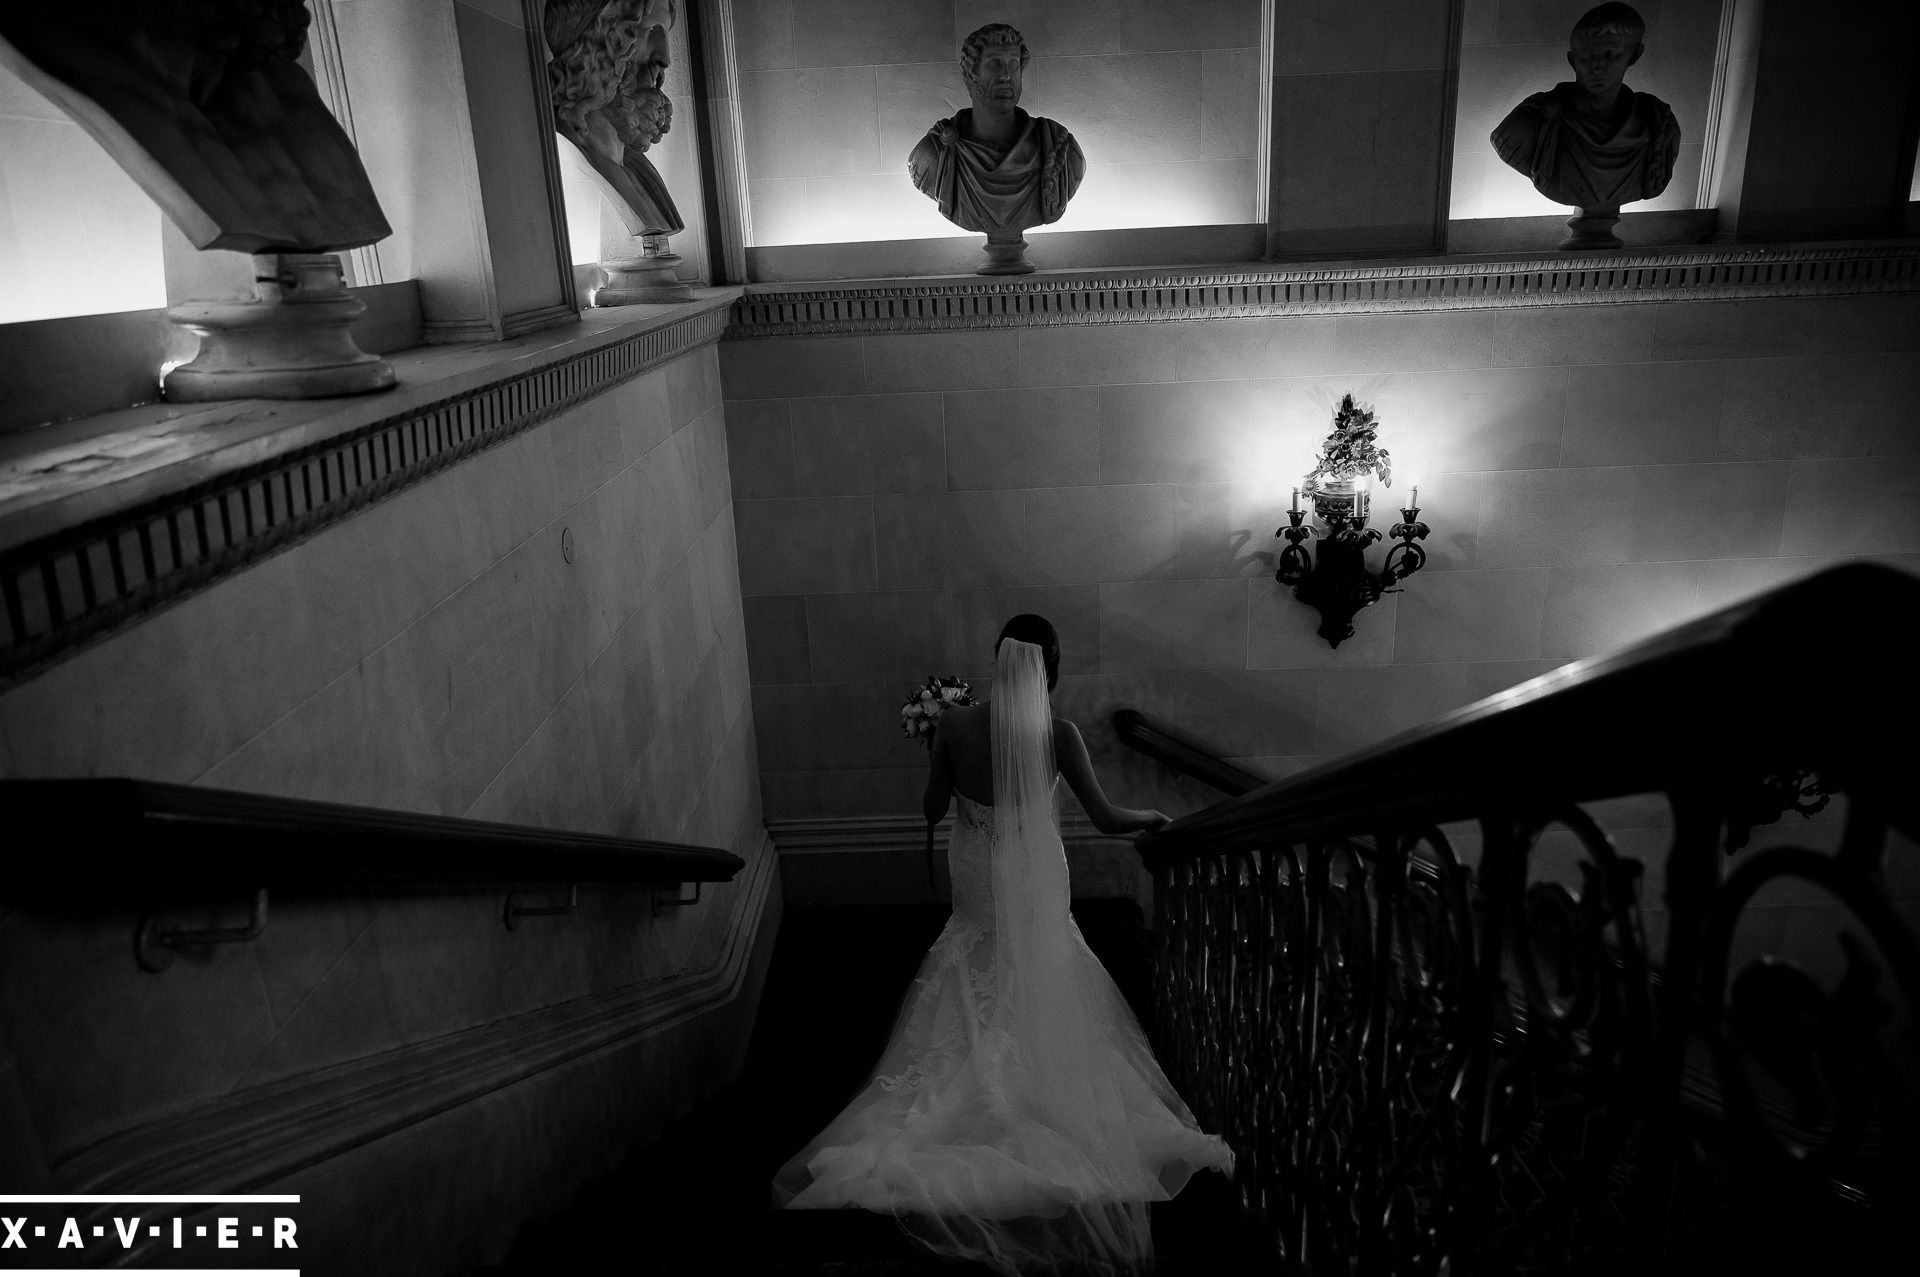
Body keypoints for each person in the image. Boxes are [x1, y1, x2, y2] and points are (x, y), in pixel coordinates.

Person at [772, 615, 1234, 1276]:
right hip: (1035, 870)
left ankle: (971, 1067)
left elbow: (931, 807)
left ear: (997, 660)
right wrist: (1152, 818)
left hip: (979, 871)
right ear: (1049, 669)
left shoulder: (955, 725)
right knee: (1046, 957)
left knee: (974, 947)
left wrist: (945, 771)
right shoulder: (1059, 733)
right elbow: (1105, 817)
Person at [1489, 2, 1680, 215]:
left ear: (1635, 55)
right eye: (1587, 56)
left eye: (1611, 55)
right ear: (1573, 60)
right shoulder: (1529, 123)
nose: (1597, 67)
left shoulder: (1658, 124)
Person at [908, 24, 1086, 236]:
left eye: (1013, 64)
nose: (1006, 76)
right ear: (971, 74)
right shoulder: (932, 155)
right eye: (994, 65)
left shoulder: (1060, 148)